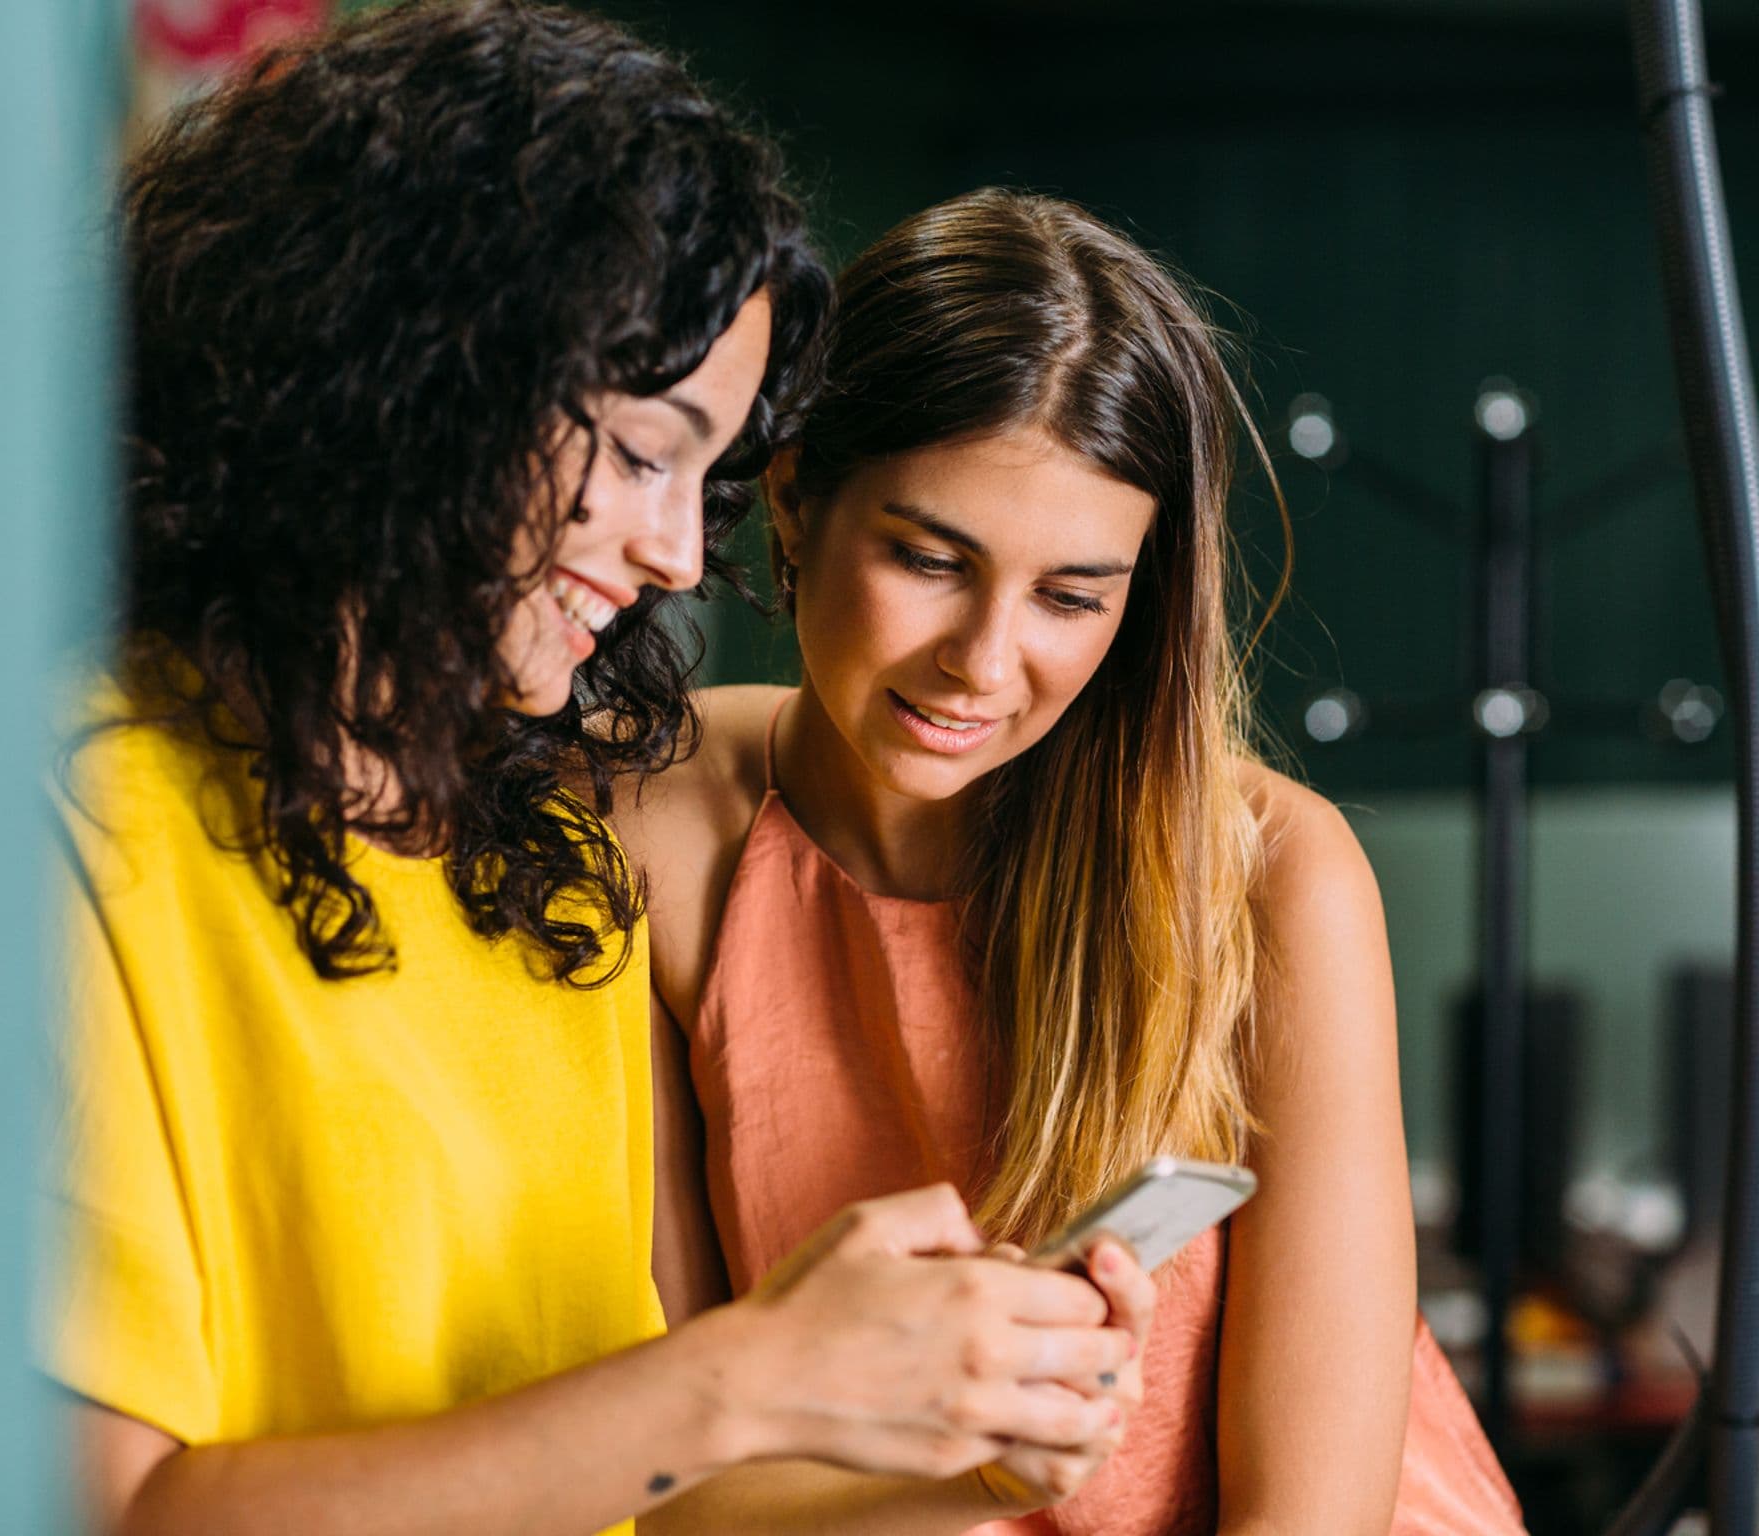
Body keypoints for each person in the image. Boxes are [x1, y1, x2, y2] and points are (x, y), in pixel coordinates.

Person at [43, 9, 1151, 1536]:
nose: (677, 553)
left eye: (704, 474)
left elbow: (638, 1491)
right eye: (641, 452)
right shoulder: (75, 831)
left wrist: (952, 1444)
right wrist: (749, 1377)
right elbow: (111, 1513)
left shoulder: (541, 867)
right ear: (404, 376)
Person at [610, 188, 1527, 1533]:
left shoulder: (1272, 874)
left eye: (1070, 596)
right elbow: (668, 1488)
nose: (983, 665)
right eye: (931, 559)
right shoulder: (647, 830)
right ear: (795, 500)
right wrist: (966, 1467)